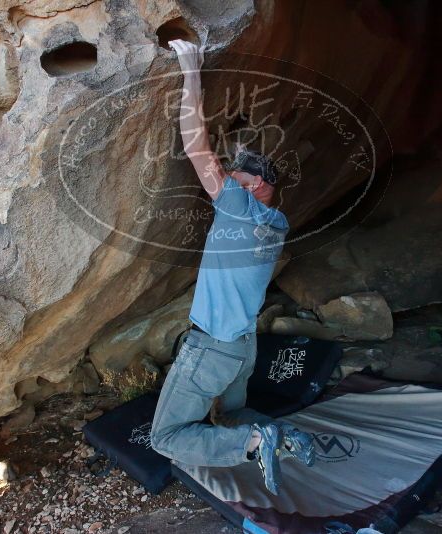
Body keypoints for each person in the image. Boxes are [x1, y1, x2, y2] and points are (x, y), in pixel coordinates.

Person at [149, 39, 315, 495]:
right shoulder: (274, 223)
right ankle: (284, 437)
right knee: (228, 414)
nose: (229, 174)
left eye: (239, 173)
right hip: (242, 347)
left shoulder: (241, 207)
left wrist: (190, 69)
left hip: (216, 348)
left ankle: (260, 439)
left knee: (165, 437)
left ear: (255, 183)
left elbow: (196, 145)